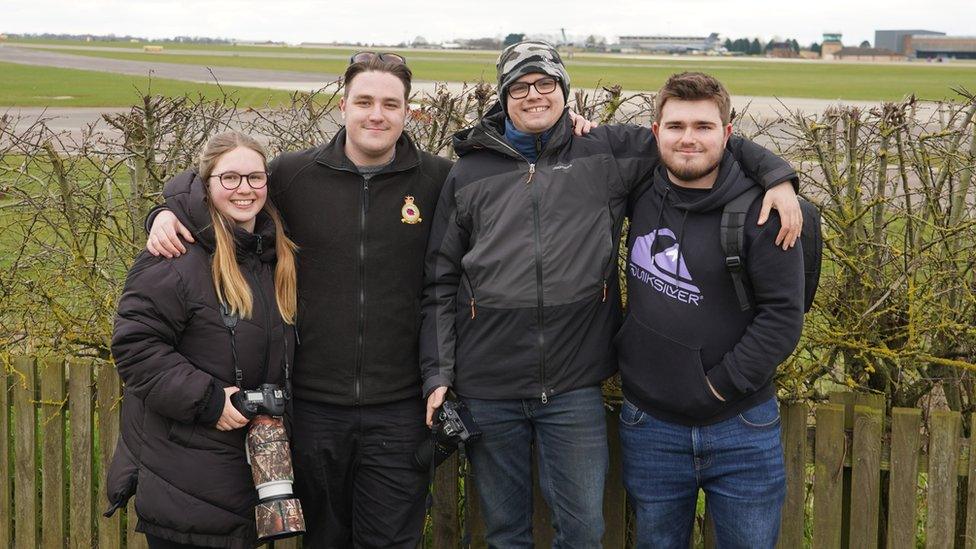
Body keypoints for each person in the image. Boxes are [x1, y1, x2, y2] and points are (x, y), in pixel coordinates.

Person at [143, 53, 596, 548]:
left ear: (406, 111)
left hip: (402, 410)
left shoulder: (440, 179)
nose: (376, 114)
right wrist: (166, 211)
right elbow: (229, 188)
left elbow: (521, 188)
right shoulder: (294, 175)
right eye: (364, 101)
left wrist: (562, 130)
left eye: (389, 103)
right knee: (324, 540)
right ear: (343, 106)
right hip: (313, 407)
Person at [420, 41, 802, 548]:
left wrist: (777, 174)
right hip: (488, 385)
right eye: (519, 86)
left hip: (575, 382)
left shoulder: (604, 150)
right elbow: (442, 281)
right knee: (504, 534)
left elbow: (696, 141)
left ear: (564, 89)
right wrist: (439, 373)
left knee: (583, 532)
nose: (534, 95)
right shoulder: (468, 172)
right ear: (502, 95)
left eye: (546, 83)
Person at [616, 72, 805, 548]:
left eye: (704, 126)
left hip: (740, 426)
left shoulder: (764, 211)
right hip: (649, 425)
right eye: (676, 126)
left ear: (728, 132)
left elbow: (783, 316)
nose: (688, 139)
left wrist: (719, 387)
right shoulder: (637, 186)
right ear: (655, 131)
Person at [105, 131, 298, 548]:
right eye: (229, 178)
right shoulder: (176, 254)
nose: (244, 189)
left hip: (238, 478)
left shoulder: (269, 256)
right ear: (206, 184)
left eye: (254, 177)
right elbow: (135, 347)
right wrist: (209, 399)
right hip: (186, 479)